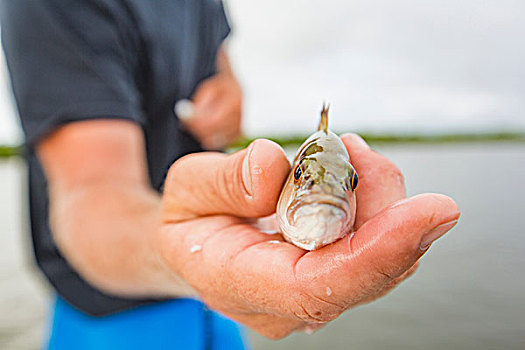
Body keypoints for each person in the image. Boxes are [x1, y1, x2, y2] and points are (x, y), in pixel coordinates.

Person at [1, 0, 460, 349]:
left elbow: (217, 58)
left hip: (220, 293)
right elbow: (92, 194)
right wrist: (181, 253)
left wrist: (227, 90)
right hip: (112, 313)